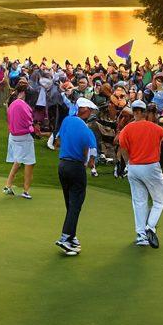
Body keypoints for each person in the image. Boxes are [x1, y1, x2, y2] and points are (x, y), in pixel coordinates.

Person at [118, 101, 163, 248]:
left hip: (134, 167)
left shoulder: (126, 129)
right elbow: (161, 141)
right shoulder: (156, 129)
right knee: (158, 202)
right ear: (145, 112)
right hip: (151, 167)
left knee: (139, 202)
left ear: (134, 112)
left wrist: (128, 164)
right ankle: (150, 227)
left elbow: (123, 148)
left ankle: (141, 236)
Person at [54, 98, 97, 255]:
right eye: (90, 111)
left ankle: (71, 237)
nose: (91, 114)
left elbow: (57, 142)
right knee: (76, 204)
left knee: (70, 204)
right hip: (76, 168)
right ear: (84, 110)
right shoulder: (86, 128)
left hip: (62, 166)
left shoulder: (67, 120)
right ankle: (65, 238)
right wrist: (91, 164)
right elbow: (91, 152)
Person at [2, 87, 35, 199]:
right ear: (23, 93)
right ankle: (26, 191)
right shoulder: (23, 105)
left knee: (18, 161)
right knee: (29, 163)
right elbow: (29, 122)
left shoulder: (12, 104)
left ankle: (8, 185)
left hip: (13, 136)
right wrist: (34, 131)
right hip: (24, 137)